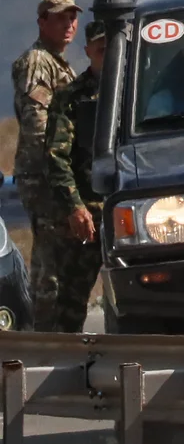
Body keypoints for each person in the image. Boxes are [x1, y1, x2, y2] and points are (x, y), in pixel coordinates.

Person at [10, 0, 80, 331]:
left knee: (62, 259)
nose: (68, 24)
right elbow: (37, 124)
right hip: (43, 176)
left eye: (72, 17)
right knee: (49, 267)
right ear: (42, 22)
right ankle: (43, 340)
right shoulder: (39, 62)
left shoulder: (58, 62)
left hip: (55, 174)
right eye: (59, 17)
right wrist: (56, 176)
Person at [43, 21, 107, 333]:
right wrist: (74, 207)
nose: (108, 54)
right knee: (70, 300)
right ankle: (62, 369)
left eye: (114, 46)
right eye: (101, 48)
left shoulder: (141, 91)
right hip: (90, 213)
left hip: (139, 213)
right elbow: (56, 157)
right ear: (88, 51)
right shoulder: (71, 98)